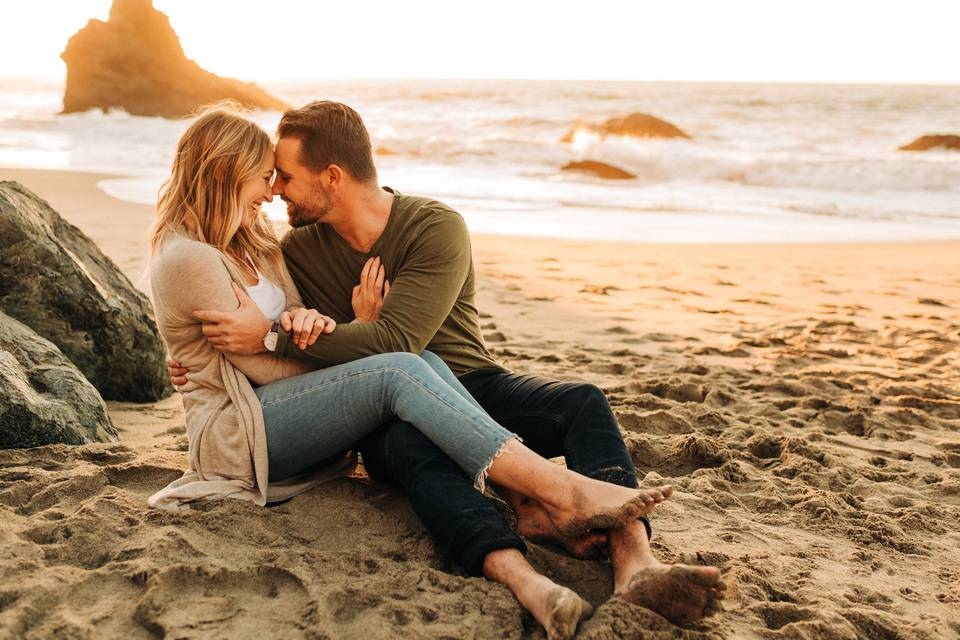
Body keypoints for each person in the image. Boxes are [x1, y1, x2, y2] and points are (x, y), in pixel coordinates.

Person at [170, 101, 727, 627]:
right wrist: (197, 365)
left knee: (583, 401)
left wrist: (346, 333)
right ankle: (523, 561)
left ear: (332, 177)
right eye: (270, 177)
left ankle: (636, 561)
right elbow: (226, 309)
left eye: (285, 177)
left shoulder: (435, 227)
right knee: (413, 441)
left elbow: (395, 339)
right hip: (388, 404)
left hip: (467, 383)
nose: (276, 191)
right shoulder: (296, 246)